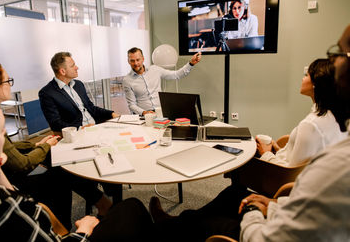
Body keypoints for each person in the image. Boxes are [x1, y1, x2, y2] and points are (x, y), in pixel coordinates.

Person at [149, 24, 350, 242]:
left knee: (213, 215)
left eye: (339, 53)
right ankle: (176, 222)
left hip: (270, 192)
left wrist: (253, 206)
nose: (335, 61)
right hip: (280, 199)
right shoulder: (334, 124)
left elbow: (288, 172)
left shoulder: (319, 135)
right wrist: (274, 204)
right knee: (232, 193)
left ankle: (173, 228)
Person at [0, 91, 155, 242]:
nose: (6, 141)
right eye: (1, 132)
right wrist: (83, 230)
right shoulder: (2, 209)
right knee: (133, 207)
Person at [0, 61, 113, 229]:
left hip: (1, 175)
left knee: (58, 161)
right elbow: (20, 164)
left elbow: (9, 146)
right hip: (11, 180)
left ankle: (95, 205)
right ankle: (65, 227)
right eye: (8, 81)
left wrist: (36, 144)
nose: (10, 85)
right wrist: (43, 147)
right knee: (60, 172)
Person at [256, 58, 347, 166]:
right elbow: (300, 158)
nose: (303, 79)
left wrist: (265, 153)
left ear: (315, 83)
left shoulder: (311, 125)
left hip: (282, 178)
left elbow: (291, 171)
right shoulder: (333, 116)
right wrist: (277, 149)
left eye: (306, 75)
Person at [39, 52, 119, 133]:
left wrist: (111, 114)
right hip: (77, 134)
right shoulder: (47, 93)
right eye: (72, 66)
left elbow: (91, 108)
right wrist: (81, 128)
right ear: (63, 71)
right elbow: (55, 124)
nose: (77, 68)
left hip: (95, 126)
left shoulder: (78, 84)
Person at [122, 47, 202, 115]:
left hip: (161, 112)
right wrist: (144, 112)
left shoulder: (155, 69)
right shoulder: (127, 80)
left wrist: (191, 63)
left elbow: (176, 75)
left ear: (143, 59)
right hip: (143, 116)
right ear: (128, 61)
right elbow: (132, 104)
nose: (136, 63)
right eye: (132, 60)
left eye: (138, 60)